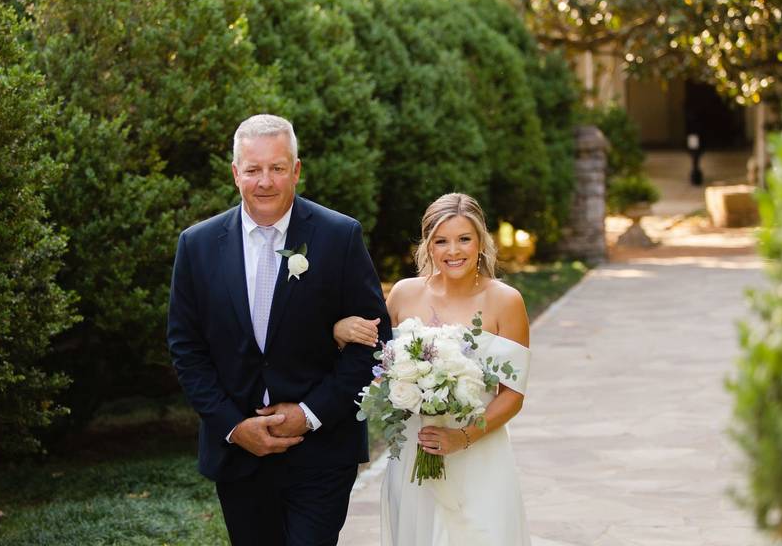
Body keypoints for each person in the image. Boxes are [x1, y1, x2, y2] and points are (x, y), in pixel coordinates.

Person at [166, 114, 391, 546]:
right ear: (236, 174)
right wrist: (233, 426)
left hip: (323, 451)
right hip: (239, 453)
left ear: (296, 170)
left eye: (276, 168)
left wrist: (308, 416)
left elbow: (374, 341)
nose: (264, 181)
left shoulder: (339, 236)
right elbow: (186, 349)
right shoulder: (196, 245)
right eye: (253, 169)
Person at [335, 192, 532, 545]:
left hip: (479, 453)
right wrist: (339, 330)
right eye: (441, 241)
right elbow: (372, 357)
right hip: (414, 450)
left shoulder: (506, 300)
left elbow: (513, 395)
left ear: (481, 242)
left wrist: (462, 437)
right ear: (427, 245)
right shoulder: (403, 294)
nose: (453, 251)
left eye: (464, 239)